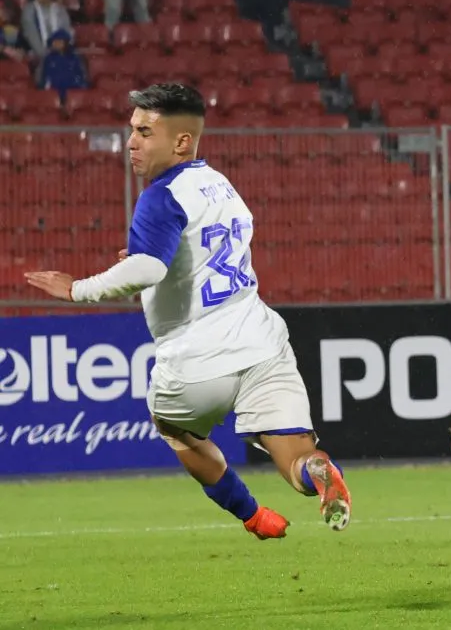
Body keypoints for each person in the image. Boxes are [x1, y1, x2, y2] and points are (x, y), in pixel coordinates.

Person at [25, 83, 352, 540]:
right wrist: (154, 261)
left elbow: (147, 267)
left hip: (195, 363)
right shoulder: (221, 185)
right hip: (262, 346)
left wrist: (78, 288)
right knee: (295, 454)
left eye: (144, 132)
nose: (132, 142)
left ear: (181, 142)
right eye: (132, 130)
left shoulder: (160, 196)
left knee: (176, 431)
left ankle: (253, 516)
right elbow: (187, 257)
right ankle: (316, 470)